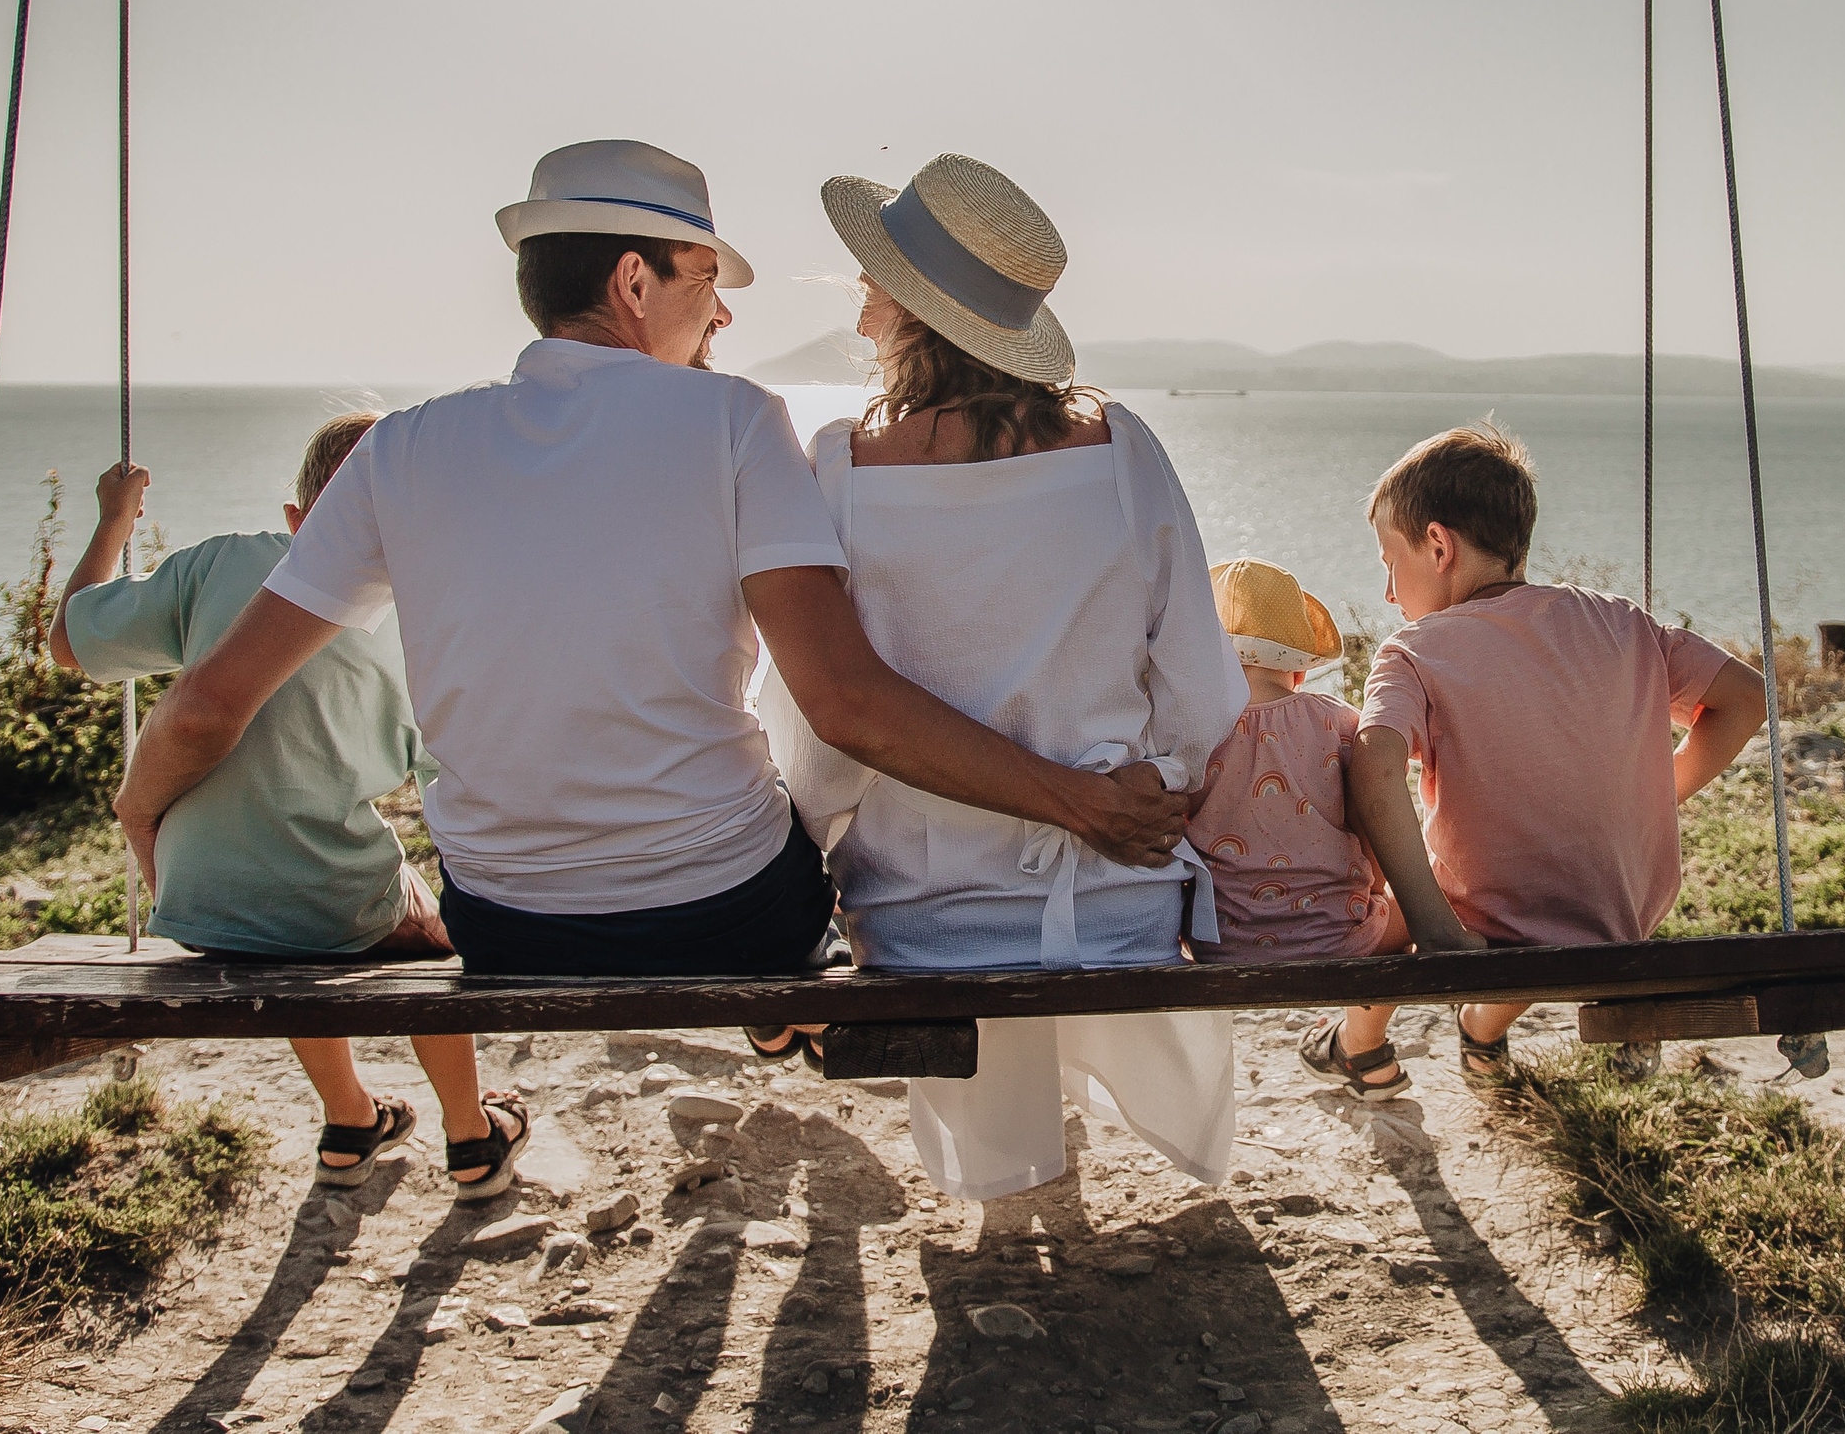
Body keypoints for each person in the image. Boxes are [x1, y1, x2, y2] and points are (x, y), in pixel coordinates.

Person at [113, 141, 1195, 1197]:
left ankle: (767, 1010)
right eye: (708, 281)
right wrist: (1079, 804)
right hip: (724, 912)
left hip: (507, 923)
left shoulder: (399, 449)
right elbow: (848, 706)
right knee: (771, 835)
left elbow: (211, 703)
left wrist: (140, 811)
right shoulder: (733, 421)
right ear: (635, 280)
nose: (723, 314)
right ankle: (776, 1008)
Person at [762, 151, 1247, 1201]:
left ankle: (1010, 1174)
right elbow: (1201, 689)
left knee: (954, 961)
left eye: (869, 291)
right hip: (1115, 900)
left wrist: (824, 846)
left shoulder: (841, 467)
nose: (858, 319)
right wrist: (1149, 790)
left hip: (927, 916)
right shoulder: (1121, 448)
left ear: (913, 313)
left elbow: (816, 736)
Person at [52, 416, 521, 1198]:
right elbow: (469, 779)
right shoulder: (431, 613)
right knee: (424, 937)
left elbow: (70, 640)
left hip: (193, 894)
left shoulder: (218, 565)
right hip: (323, 899)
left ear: (299, 523)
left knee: (299, 901)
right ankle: (472, 1136)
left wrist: (113, 521)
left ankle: (349, 1118)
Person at [1300, 423, 1767, 1095]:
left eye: (1387, 562)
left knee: (1397, 917)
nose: (1388, 594)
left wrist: (1434, 929)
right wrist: (1655, 797)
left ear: (1438, 545)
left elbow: (1372, 763)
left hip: (1490, 916)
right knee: (1544, 915)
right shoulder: (1624, 622)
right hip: (1617, 915)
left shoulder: (1415, 651)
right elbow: (1746, 698)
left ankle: (1359, 1045)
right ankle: (1483, 1033)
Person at [1185, 560, 1440, 990]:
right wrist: (1373, 890)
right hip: (1340, 939)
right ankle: (1363, 1040)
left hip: (1220, 947)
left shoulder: (1192, 733)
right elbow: (1374, 828)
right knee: (1421, 913)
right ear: (1300, 670)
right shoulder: (1340, 725)